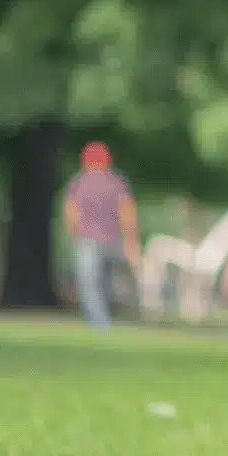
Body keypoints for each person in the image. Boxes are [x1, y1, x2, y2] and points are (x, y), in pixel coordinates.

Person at [62, 141, 139, 331]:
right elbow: (127, 211)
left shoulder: (79, 182)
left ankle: (100, 323)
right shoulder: (117, 182)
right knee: (105, 283)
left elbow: (71, 211)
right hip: (112, 240)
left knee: (89, 284)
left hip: (87, 239)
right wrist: (131, 240)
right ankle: (103, 320)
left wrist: (73, 233)